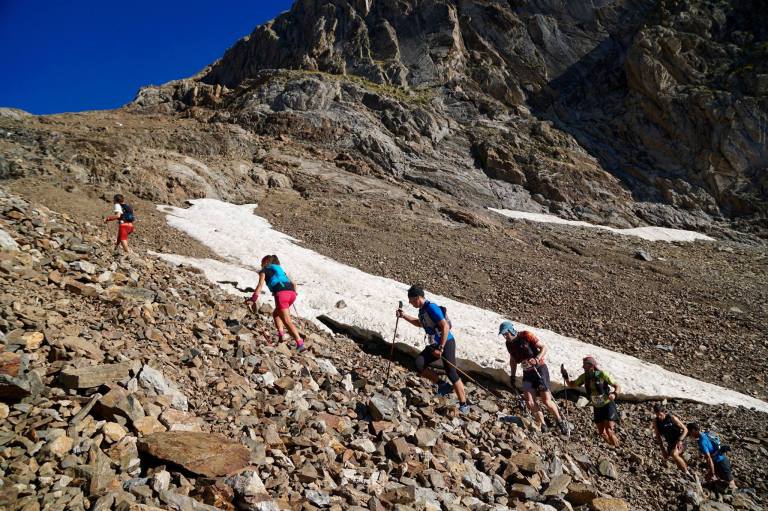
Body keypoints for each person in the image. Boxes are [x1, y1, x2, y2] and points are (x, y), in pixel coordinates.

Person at [396, 286, 469, 414]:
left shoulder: (431, 307)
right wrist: (404, 316)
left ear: (418, 297)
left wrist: (441, 347)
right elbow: (420, 323)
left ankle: (464, 404)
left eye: (411, 299)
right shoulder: (422, 310)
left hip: (446, 343)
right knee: (419, 364)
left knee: (451, 372)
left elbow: (445, 326)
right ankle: (443, 385)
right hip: (435, 343)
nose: (410, 302)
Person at [500, 321, 570, 435]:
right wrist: (512, 376)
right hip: (527, 373)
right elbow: (513, 360)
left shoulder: (526, 335)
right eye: (503, 335)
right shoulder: (508, 344)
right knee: (529, 401)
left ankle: (560, 421)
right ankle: (542, 424)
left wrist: (537, 358)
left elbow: (543, 348)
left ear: (511, 330)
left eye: (506, 333)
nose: (505, 336)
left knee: (546, 400)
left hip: (540, 369)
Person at [246, 255, 305, 352]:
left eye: (262, 262)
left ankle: (300, 343)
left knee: (287, 320)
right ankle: (281, 337)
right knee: (276, 314)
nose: (261, 265)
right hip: (292, 294)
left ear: (266, 262)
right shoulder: (281, 270)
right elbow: (294, 283)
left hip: (281, 295)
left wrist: (253, 299)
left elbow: (260, 284)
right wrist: (293, 293)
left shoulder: (264, 270)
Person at [562, 356, 621, 445]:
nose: (583, 367)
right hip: (597, 406)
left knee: (609, 429)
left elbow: (617, 386)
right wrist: (565, 377)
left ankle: (617, 448)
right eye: (583, 365)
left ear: (592, 365)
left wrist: (614, 394)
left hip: (607, 404)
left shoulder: (602, 374)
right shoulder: (584, 377)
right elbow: (572, 385)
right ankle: (612, 447)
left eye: (585, 365)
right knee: (602, 433)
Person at [687, 422, 736, 489]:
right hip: (722, 458)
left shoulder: (702, 442)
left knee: (730, 482)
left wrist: (712, 471)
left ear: (693, 430)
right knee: (724, 481)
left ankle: (738, 494)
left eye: (690, 432)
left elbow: (708, 458)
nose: (690, 435)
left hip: (720, 462)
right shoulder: (706, 434)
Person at [652, 404, 690, 474]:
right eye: (657, 415)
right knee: (678, 463)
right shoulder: (656, 421)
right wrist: (663, 449)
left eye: (660, 414)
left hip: (680, 440)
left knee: (674, 454)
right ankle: (687, 474)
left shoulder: (672, 418)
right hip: (670, 443)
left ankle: (687, 473)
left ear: (664, 412)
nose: (659, 417)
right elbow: (658, 436)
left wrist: (680, 440)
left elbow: (685, 429)